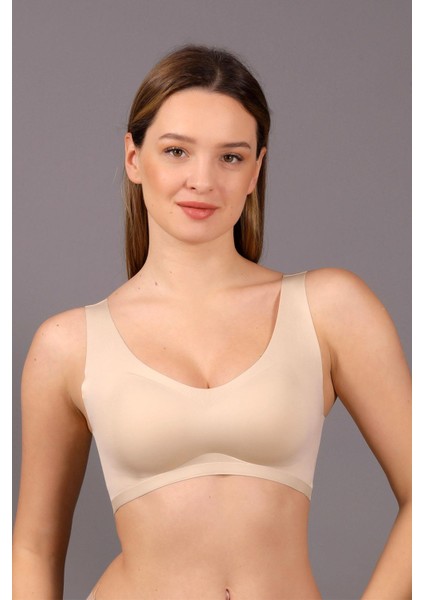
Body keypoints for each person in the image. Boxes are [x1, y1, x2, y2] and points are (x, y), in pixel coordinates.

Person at [12, 44, 411, 600]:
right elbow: (35, 547)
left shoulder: (328, 309)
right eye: (176, 151)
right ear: (134, 158)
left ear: (256, 170)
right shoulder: (67, 344)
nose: (202, 180)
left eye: (230, 157)